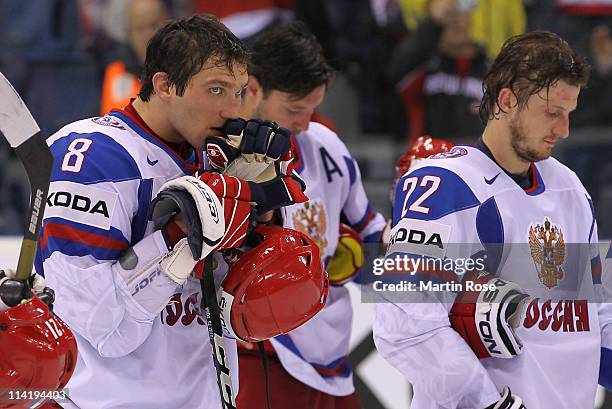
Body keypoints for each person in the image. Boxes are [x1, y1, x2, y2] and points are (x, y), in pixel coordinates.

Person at [34, 15, 305, 409]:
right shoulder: (91, 157)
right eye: (216, 89)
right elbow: (100, 328)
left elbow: (246, 303)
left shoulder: (216, 155)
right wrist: (179, 238)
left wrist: (263, 223)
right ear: (163, 85)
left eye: (239, 91)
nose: (232, 109)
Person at [373, 31, 612, 408]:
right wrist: (488, 403)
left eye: (569, 114)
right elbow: (404, 326)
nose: (564, 130)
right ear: (507, 100)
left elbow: (598, 313)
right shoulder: (443, 186)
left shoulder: (570, 187)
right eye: (552, 113)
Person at [229, 21, 386, 408]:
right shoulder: (222, 159)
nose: (303, 122)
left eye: (313, 109)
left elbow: (371, 233)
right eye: (295, 109)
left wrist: (389, 247)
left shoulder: (326, 146)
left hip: (329, 348)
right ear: (253, 88)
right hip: (258, 353)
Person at [99, 0, 168, 115]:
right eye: (140, 28)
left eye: (152, 25)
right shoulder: (113, 72)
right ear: (129, 33)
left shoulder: (181, 69)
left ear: (166, 26)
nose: (147, 35)